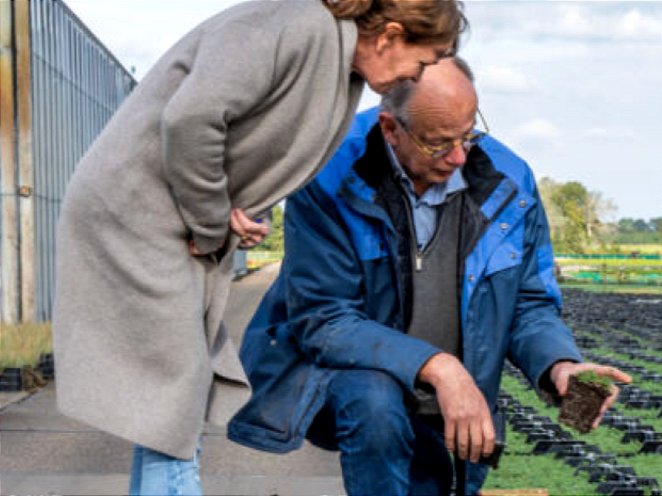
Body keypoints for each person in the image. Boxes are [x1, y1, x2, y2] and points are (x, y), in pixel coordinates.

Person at [52, 1, 467, 494]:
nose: (412, 78)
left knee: (168, 412)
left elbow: (251, 142)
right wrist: (209, 219)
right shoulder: (297, 26)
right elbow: (192, 117)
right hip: (136, 214)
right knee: (174, 411)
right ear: (389, 35)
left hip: (159, 217)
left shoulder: (336, 61)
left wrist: (238, 205)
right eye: (420, 62)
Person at [227, 57, 632, 495]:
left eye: (468, 134)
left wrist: (560, 363)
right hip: (359, 388)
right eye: (438, 144)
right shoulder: (327, 175)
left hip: (455, 401)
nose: (458, 157)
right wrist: (439, 367)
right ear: (390, 128)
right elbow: (324, 318)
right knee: (375, 402)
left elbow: (528, 302)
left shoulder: (509, 182)